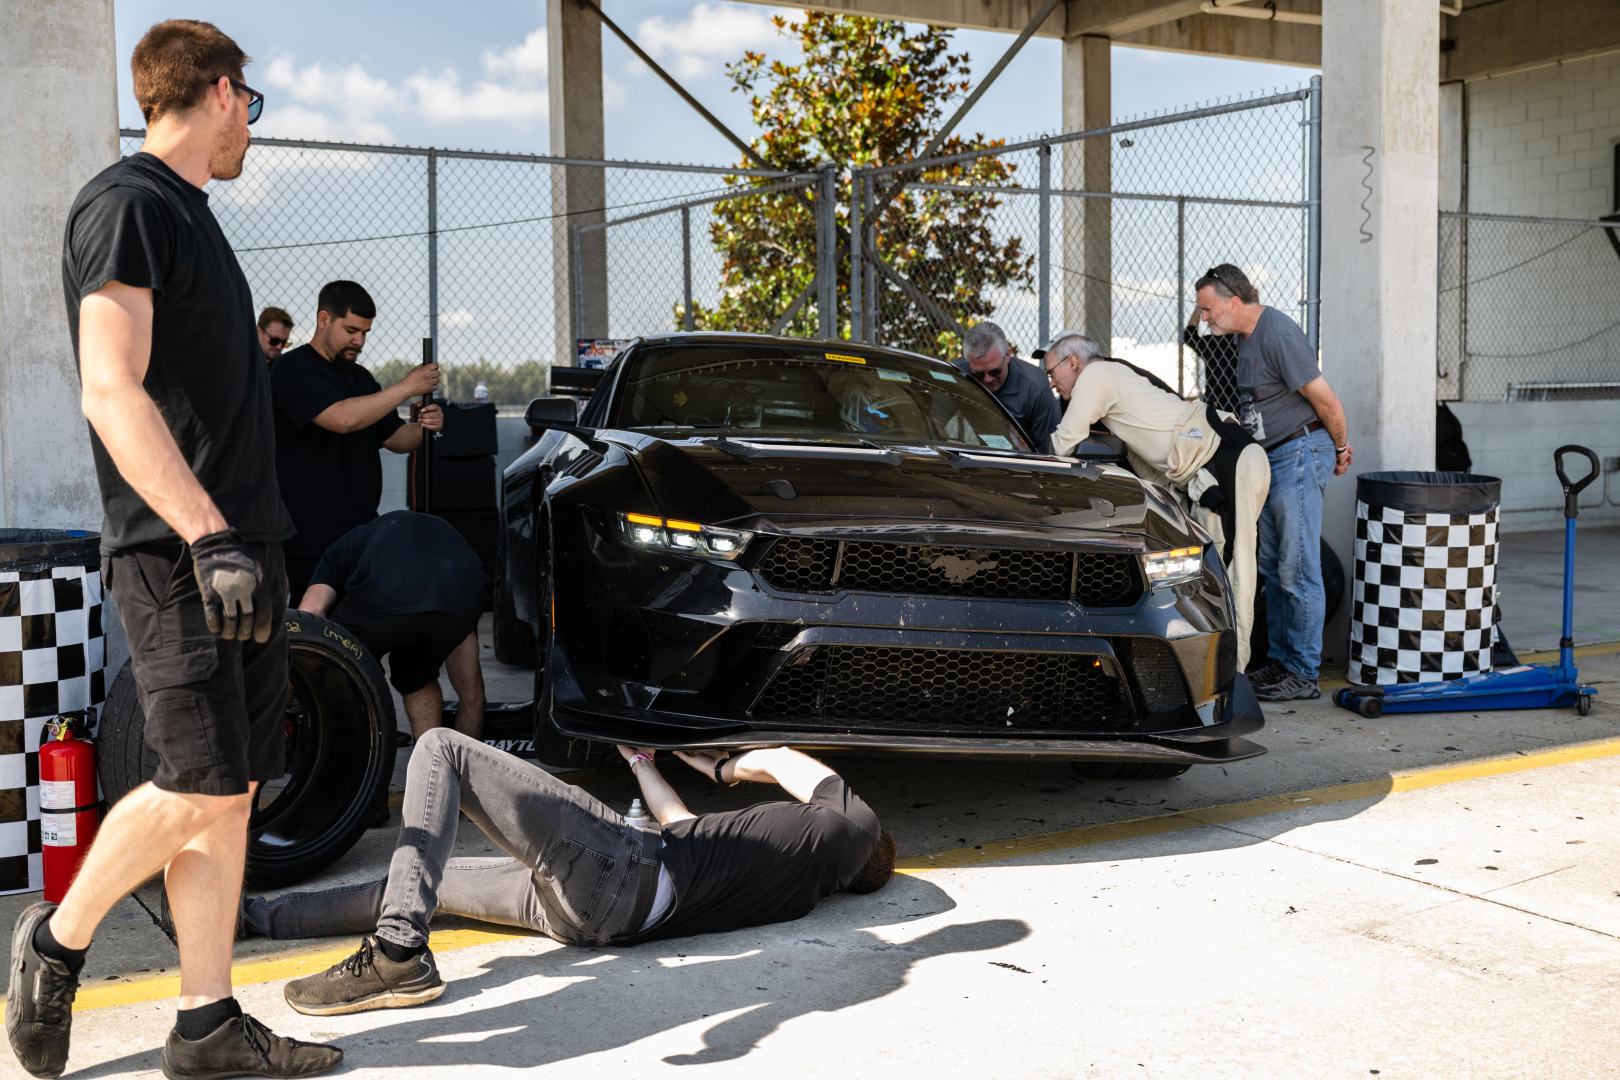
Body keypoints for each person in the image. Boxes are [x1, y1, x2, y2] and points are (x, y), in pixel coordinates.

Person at [13, 20, 343, 1080]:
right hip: (178, 551)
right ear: (220, 90)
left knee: (234, 788)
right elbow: (108, 386)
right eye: (252, 102)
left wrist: (247, 538)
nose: (254, 123)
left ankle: (205, 1023)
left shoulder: (194, 219)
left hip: (245, 545)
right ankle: (55, 939)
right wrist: (207, 534)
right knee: (198, 780)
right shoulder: (129, 205)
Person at [251, 737, 894, 1015]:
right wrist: (643, 762)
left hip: (619, 869)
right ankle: (249, 918)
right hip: (596, 917)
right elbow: (680, 825)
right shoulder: (791, 883)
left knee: (439, 749)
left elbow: (785, 759)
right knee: (421, 882)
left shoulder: (846, 829)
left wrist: (724, 768)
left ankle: (397, 951)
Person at [1045, 333, 1271, 671]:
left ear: (1072, 363)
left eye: (1052, 373)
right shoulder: (1120, 389)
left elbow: (1064, 443)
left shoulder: (1095, 376)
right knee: (1215, 569)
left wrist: (1024, 462)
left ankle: (1234, 676)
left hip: (1224, 456)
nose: (1052, 383)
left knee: (1234, 571)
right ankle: (1219, 670)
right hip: (1217, 460)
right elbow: (1154, 470)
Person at [1193, 264, 1352, 701]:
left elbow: (1328, 401)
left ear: (1234, 302)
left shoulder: (1277, 333)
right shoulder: (1245, 339)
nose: (1204, 318)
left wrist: (1339, 449)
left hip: (1299, 453)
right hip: (1272, 459)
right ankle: (1282, 662)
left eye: (1208, 309)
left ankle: (1302, 671)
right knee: (1272, 567)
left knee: (1297, 567)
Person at [271, 280, 442, 600]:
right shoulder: (292, 368)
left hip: (361, 530)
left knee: (361, 632)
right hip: (309, 535)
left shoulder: (361, 378)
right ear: (324, 319)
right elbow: (342, 419)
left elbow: (394, 437)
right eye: (351, 330)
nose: (359, 341)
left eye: (364, 333)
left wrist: (425, 427)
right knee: (316, 635)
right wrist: (405, 387)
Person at [295, 511, 489, 742]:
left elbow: (310, 614)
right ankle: (435, 770)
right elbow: (474, 697)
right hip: (462, 598)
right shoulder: (452, 567)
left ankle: (329, 746)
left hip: (385, 594)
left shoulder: (344, 547)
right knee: (418, 680)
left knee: (340, 663)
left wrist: (295, 682)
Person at [955, 321, 1061, 451]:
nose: (988, 379)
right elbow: (936, 421)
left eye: (995, 371)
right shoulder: (956, 375)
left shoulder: (1034, 387)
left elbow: (1050, 450)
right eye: (979, 374)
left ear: (1008, 355)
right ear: (968, 362)